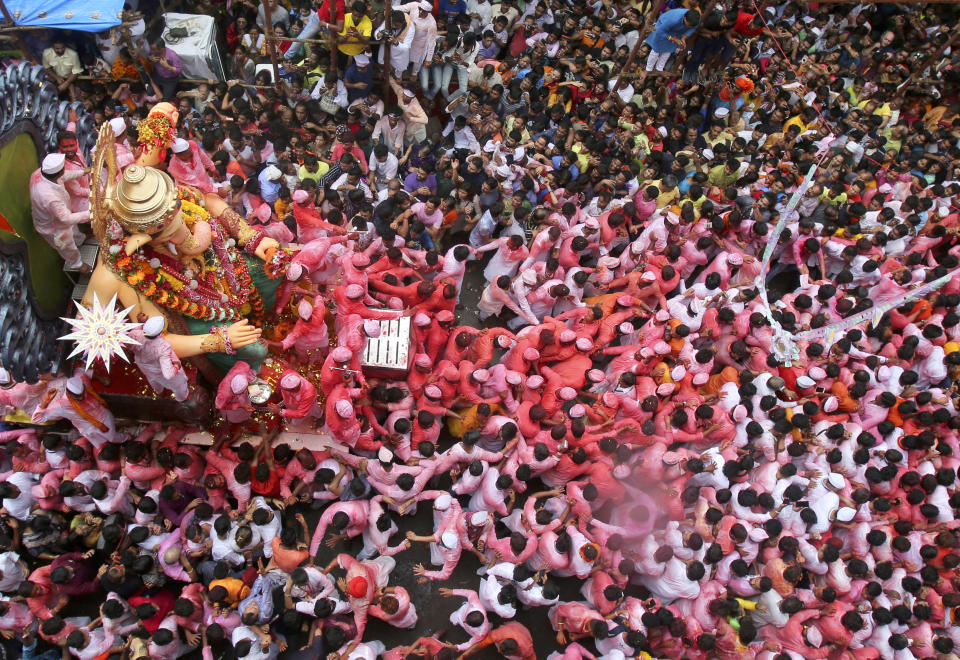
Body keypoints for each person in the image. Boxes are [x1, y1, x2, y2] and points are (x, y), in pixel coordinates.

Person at [29, 153, 90, 272]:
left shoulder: (41, 173)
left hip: (60, 215)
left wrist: (83, 172)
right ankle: (77, 264)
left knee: (74, 230)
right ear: (59, 172)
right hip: (54, 227)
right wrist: (91, 213)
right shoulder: (49, 197)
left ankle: (81, 239)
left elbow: (64, 175)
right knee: (67, 246)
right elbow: (66, 219)